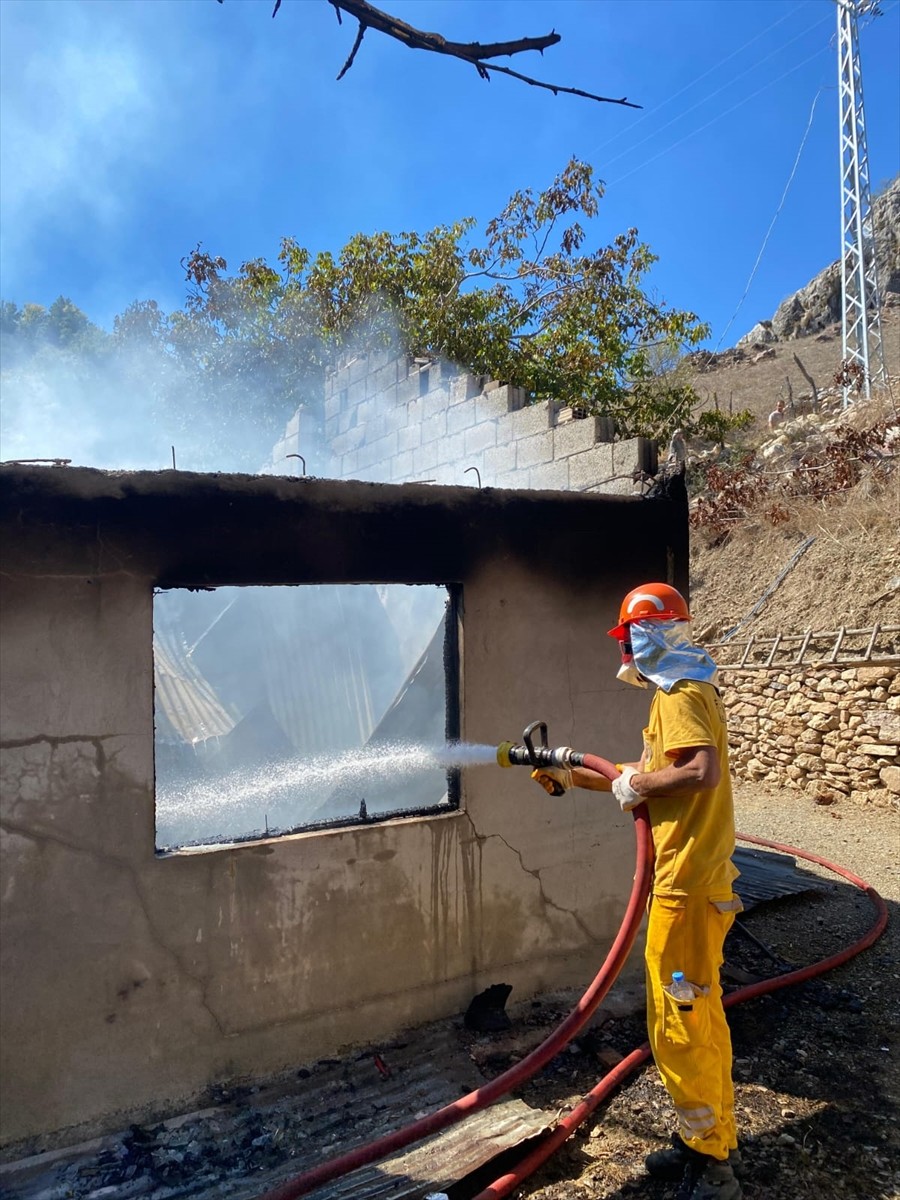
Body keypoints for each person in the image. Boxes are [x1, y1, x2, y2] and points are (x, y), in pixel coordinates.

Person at [532, 582, 743, 1200]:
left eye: (627, 637)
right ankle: (703, 1138)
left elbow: (697, 773)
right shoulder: (684, 689)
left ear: (647, 634)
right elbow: (648, 774)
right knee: (694, 1017)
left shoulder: (679, 693)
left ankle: (714, 1165)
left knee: (681, 1024)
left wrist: (640, 783)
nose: (623, 650)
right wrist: (578, 775)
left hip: (687, 889)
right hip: (690, 883)